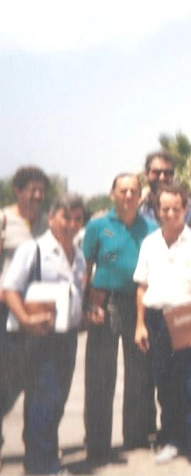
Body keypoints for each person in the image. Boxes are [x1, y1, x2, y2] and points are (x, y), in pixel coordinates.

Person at [133, 184, 191, 474]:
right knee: (165, 385)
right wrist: (140, 324)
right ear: (157, 211)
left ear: (185, 209)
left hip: (186, 319)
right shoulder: (149, 243)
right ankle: (172, 439)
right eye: (164, 209)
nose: (170, 214)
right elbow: (141, 286)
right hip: (156, 320)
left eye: (176, 209)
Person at [2, 195, 87, 474]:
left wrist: (87, 315)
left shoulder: (79, 254)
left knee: (56, 401)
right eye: (66, 217)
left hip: (67, 338)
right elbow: (9, 289)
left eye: (77, 219)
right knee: (43, 401)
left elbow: (74, 296)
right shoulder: (33, 250)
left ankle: (40, 462)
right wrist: (26, 319)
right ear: (51, 218)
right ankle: (43, 467)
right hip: (39, 338)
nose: (71, 224)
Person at [82, 173, 158, 463]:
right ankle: (97, 442)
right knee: (100, 374)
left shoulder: (151, 228)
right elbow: (85, 266)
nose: (128, 195)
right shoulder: (97, 226)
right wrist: (88, 304)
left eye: (133, 191)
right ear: (113, 193)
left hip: (139, 304)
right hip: (105, 302)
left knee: (138, 373)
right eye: (123, 190)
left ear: (140, 195)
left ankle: (136, 436)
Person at [0, 166, 50, 468]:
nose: (36, 195)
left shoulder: (44, 222)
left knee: (33, 380)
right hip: (5, 308)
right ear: (17, 191)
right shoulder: (4, 219)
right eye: (30, 189)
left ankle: (38, 451)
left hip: (37, 308)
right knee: (6, 378)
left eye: (40, 190)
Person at [138, 150, 191, 228]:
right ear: (146, 174)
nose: (162, 177)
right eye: (157, 172)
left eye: (168, 173)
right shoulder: (139, 209)